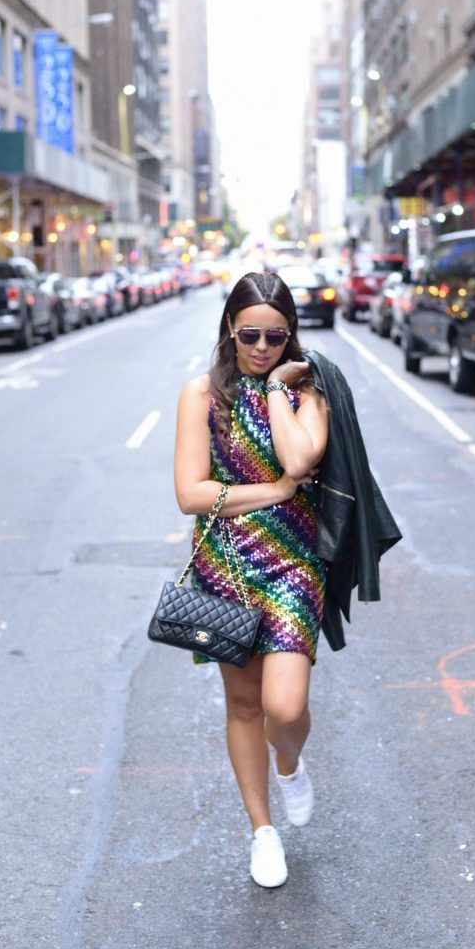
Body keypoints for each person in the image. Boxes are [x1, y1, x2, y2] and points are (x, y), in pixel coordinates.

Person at [174, 271, 329, 888]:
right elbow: (191, 493)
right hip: (228, 564)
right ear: (228, 331)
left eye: (275, 336)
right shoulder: (199, 395)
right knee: (243, 703)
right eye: (249, 334)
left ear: (290, 337)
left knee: (284, 708)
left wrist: (272, 393)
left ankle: (288, 764)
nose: (261, 346)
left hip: (293, 562)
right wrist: (277, 493)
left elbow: (299, 459)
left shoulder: (309, 393)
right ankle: (263, 833)